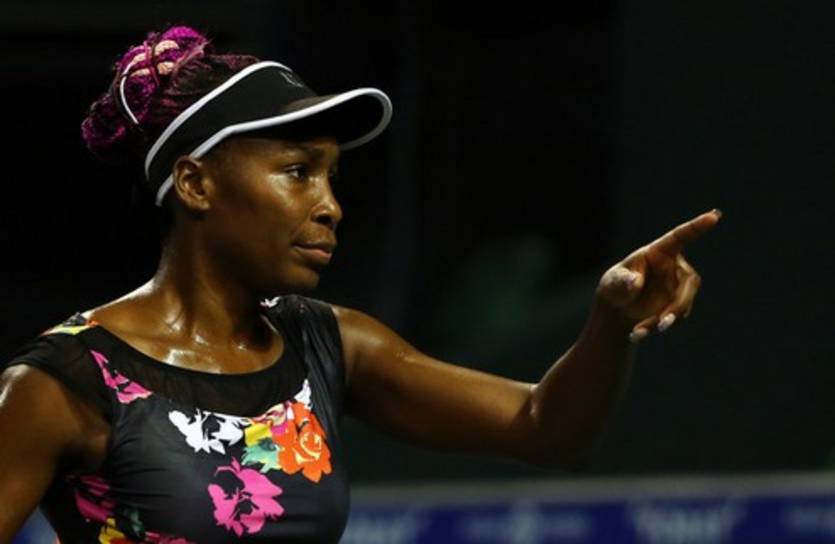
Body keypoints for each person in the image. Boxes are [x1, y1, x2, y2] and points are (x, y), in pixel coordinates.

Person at [0, 24, 722, 544]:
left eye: (331, 176)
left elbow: (547, 429)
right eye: (297, 172)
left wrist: (609, 320)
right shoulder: (63, 382)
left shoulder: (328, 343)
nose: (330, 206)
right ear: (195, 183)